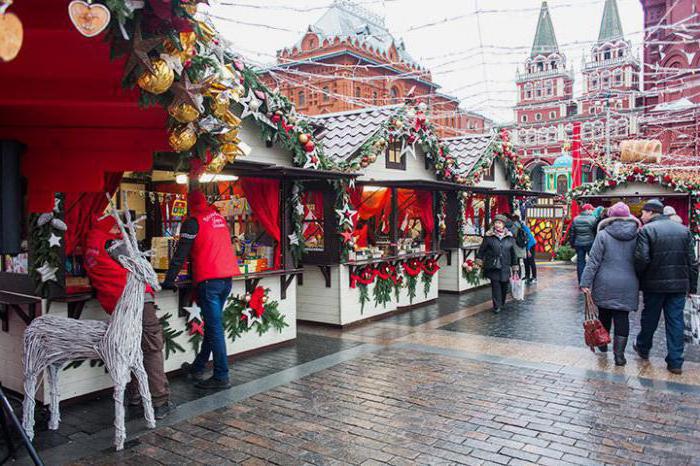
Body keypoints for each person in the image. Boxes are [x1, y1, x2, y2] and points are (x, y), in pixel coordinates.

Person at [84, 216, 175, 419]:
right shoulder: (112, 243)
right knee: (151, 347)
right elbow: (140, 266)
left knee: (134, 347)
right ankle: (159, 401)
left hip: (115, 305)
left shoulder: (91, 245)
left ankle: (136, 395)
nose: (121, 229)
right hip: (136, 299)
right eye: (118, 226)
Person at [162, 190, 240, 389]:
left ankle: (221, 376)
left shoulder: (193, 222)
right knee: (213, 326)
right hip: (226, 278)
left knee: (215, 329)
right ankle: (198, 366)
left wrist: (169, 279)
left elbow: (181, 253)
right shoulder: (219, 218)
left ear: (190, 204)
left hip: (209, 280)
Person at [634, 198, 698, 375]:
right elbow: (692, 262)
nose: (642, 216)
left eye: (644, 212)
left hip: (653, 285)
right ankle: (675, 361)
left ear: (651, 212)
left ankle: (643, 347)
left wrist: (640, 279)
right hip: (678, 285)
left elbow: (642, 259)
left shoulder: (646, 230)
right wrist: (692, 287)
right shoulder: (683, 230)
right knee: (675, 321)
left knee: (650, 319)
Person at [580, 202, 641, 366]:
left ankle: (603, 345)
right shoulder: (638, 234)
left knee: (605, 314)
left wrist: (585, 283)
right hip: (628, 282)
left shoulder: (603, 235)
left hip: (604, 282)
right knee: (622, 317)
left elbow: (593, 261)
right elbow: (643, 260)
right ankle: (619, 355)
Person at [477, 214, 519, 314]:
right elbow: (482, 250)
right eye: (496, 223)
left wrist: (515, 267)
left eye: (499, 223)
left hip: (505, 266)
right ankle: (497, 306)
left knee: (504, 285)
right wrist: (479, 260)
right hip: (493, 266)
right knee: (495, 286)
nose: (497, 225)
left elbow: (514, 253)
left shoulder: (509, 237)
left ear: (503, 225)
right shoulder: (489, 237)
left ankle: (502, 302)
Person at [570, 203, 602, 284]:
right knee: (592, 262)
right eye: (591, 209)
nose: (592, 211)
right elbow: (595, 232)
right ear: (588, 210)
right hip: (590, 243)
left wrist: (572, 243)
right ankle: (590, 281)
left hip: (578, 244)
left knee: (580, 262)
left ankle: (581, 281)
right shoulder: (593, 219)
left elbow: (572, 233)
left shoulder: (576, 219)